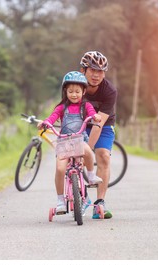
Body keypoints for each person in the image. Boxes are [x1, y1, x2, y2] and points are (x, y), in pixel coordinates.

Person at [37, 71, 102, 215]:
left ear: (84, 91)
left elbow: (92, 113)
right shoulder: (61, 107)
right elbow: (52, 117)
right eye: (71, 91)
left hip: (79, 139)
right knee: (60, 169)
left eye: (77, 91)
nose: (74, 94)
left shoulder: (86, 106)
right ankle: (60, 201)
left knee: (88, 152)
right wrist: (46, 123)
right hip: (64, 141)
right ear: (65, 91)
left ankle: (90, 176)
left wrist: (95, 116)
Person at [79, 50, 117, 219]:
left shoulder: (109, 91)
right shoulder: (72, 85)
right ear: (83, 71)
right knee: (73, 158)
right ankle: (76, 194)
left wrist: (87, 149)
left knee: (103, 156)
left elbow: (98, 123)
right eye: (92, 70)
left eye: (100, 71)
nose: (96, 75)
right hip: (79, 124)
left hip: (103, 125)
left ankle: (99, 203)